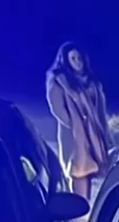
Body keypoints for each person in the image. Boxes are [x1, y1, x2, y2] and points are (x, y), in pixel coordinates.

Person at [46, 42, 112, 201]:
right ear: (66, 61)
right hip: (75, 135)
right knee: (79, 171)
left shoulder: (92, 82)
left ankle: (84, 206)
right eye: (73, 58)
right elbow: (57, 108)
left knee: (91, 170)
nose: (77, 62)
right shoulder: (60, 82)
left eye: (79, 57)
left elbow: (100, 110)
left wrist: (104, 133)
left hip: (94, 132)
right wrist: (76, 124)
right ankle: (78, 209)